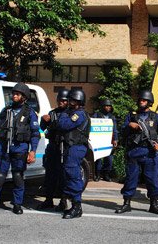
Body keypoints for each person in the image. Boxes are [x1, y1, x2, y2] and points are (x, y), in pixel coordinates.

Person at [0, 82, 40, 215]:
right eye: (14, 93)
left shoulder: (29, 113)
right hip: (3, 148)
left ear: (24, 97)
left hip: (20, 148)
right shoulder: (6, 110)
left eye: (17, 94)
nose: (14, 96)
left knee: (18, 176)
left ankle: (17, 204)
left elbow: (35, 134)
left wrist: (33, 151)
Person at [115, 90, 158, 215]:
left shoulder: (156, 117)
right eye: (140, 100)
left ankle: (154, 205)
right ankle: (126, 203)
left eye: (144, 100)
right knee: (130, 178)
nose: (141, 102)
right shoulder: (132, 116)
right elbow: (122, 131)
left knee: (152, 180)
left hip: (150, 153)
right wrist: (129, 125)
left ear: (149, 102)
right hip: (134, 152)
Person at [56, 89, 91, 219]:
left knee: (73, 175)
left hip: (76, 148)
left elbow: (64, 124)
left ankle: (77, 207)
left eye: (72, 100)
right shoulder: (75, 113)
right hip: (72, 147)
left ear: (78, 101)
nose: (69, 102)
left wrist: (64, 114)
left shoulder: (78, 114)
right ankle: (69, 202)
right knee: (68, 174)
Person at [37, 88, 69, 212]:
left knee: (63, 176)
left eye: (63, 100)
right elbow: (43, 127)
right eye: (59, 100)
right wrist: (43, 120)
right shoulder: (53, 113)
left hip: (64, 147)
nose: (61, 102)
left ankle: (63, 200)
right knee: (50, 176)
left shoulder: (70, 114)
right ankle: (48, 199)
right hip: (53, 146)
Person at [92, 99, 118, 182]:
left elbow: (115, 129)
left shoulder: (112, 117)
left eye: (109, 106)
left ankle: (106, 174)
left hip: (109, 140)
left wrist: (116, 139)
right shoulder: (97, 115)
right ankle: (97, 174)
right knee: (98, 158)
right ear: (103, 106)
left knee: (109, 159)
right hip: (99, 140)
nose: (108, 107)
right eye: (106, 106)